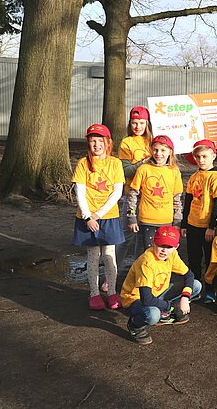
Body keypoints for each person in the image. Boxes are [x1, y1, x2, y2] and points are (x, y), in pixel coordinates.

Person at [72, 124, 125, 311]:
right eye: (92, 141)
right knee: (93, 255)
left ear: (107, 142)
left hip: (108, 216)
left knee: (109, 255)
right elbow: (80, 193)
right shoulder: (83, 164)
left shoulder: (115, 163)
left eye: (100, 141)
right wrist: (88, 217)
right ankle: (94, 293)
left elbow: (117, 192)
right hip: (87, 218)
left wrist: (98, 214)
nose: (96, 145)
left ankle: (111, 292)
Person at [120, 225, 202, 345]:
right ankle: (134, 325)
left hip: (157, 294)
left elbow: (189, 275)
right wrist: (172, 307)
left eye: (169, 247)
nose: (164, 250)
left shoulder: (172, 255)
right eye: (160, 245)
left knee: (196, 285)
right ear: (153, 242)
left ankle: (164, 311)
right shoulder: (147, 262)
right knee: (153, 315)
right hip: (135, 299)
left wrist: (185, 298)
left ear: (176, 247)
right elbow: (146, 299)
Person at [181, 139, 217, 293]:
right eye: (198, 157)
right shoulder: (194, 177)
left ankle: (210, 290)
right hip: (193, 225)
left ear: (213, 156)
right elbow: (188, 202)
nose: (201, 160)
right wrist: (184, 224)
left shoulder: (216, 177)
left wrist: (212, 227)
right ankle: (195, 289)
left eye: (205, 156)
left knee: (210, 261)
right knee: (193, 259)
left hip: (209, 227)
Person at [127, 135, 183, 250]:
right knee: (148, 253)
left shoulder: (174, 171)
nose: (158, 153)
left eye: (163, 150)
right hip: (147, 220)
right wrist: (131, 217)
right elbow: (133, 195)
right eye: (155, 150)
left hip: (167, 221)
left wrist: (177, 221)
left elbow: (177, 198)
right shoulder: (143, 169)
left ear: (170, 152)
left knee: (164, 254)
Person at [117, 106, 152, 263]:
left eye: (142, 123)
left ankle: (137, 274)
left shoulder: (153, 142)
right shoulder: (127, 143)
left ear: (147, 123)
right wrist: (144, 163)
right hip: (133, 195)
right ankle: (112, 273)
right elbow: (126, 170)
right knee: (126, 236)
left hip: (151, 196)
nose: (138, 127)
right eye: (134, 123)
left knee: (142, 237)